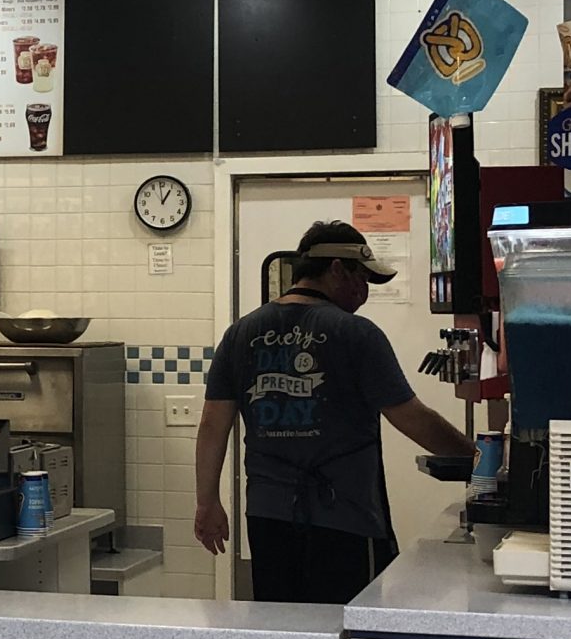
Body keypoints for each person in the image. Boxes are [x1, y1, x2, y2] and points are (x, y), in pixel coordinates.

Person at [194, 221, 473, 603]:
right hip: (346, 519)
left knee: (281, 626)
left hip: (267, 517)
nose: (365, 292)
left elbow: (213, 425)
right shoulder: (357, 334)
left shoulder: (240, 333)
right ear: (337, 269)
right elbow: (413, 418)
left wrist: (207, 502)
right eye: (362, 278)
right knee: (345, 626)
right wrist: (478, 461)